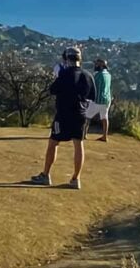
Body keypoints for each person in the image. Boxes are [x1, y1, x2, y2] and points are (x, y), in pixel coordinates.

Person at [32, 47, 96, 190]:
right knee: (78, 145)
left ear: (67, 59)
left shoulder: (65, 74)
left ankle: (45, 175)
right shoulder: (88, 76)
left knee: (53, 143)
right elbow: (92, 98)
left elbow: (53, 90)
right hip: (81, 115)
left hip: (63, 115)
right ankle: (75, 179)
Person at [85, 59, 113, 142]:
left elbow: (92, 86)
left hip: (97, 100)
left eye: (96, 64)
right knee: (105, 118)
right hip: (107, 100)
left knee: (86, 117)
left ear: (100, 66)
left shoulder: (98, 75)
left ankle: (83, 134)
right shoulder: (108, 75)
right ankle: (104, 136)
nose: (95, 66)